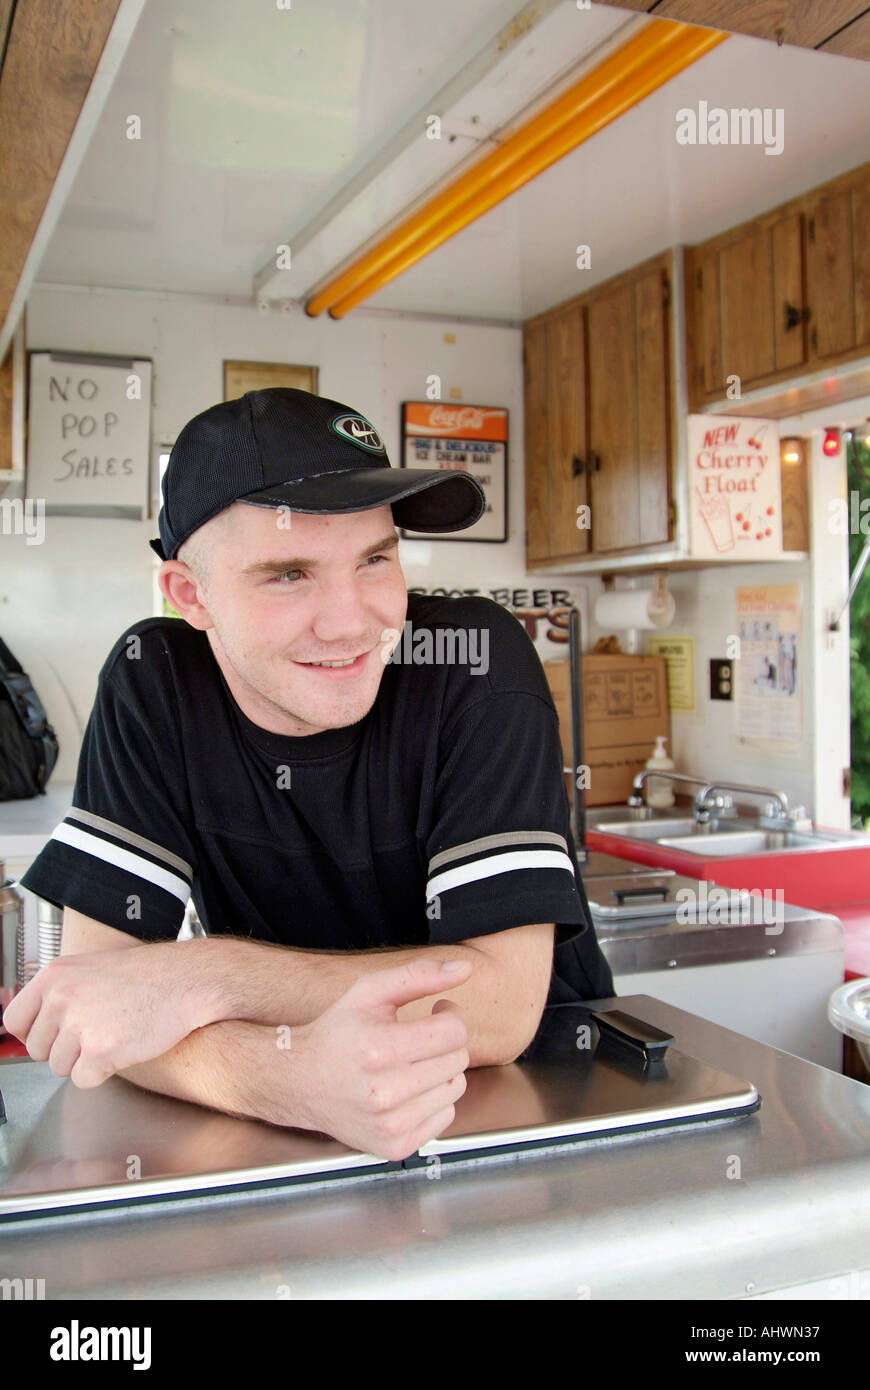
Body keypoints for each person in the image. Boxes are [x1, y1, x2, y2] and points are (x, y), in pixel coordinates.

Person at [9, 387, 614, 1161]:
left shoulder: (473, 660)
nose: (351, 621)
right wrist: (283, 1076)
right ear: (191, 596)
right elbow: (98, 1006)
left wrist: (199, 981)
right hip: (292, 1141)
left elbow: (497, 1006)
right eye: (289, 574)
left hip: (543, 1114)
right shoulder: (152, 681)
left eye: (375, 558)